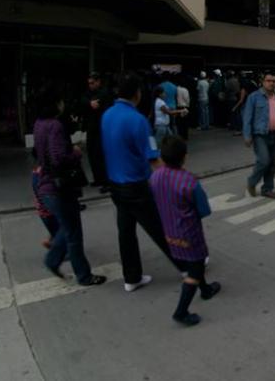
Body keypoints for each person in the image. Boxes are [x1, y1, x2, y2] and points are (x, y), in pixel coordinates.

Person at [102, 71, 179, 292]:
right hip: (136, 185)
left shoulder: (107, 115)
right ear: (137, 93)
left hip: (115, 186)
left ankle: (132, 277)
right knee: (160, 228)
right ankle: (187, 266)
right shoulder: (138, 120)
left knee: (126, 232)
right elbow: (153, 158)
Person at [33, 85, 106, 286]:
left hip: (46, 184)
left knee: (67, 229)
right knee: (73, 233)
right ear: (55, 104)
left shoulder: (39, 124)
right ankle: (83, 275)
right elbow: (58, 157)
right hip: (60, 187)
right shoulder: (55, 125)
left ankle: (54, 259)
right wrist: (75, 152)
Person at [149, 136, 221, 326]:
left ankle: (205, 290)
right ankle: (181, 312)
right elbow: (205, 211)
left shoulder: (155, 176)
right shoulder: (189, 182)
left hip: (169, 232)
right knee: (195, 269)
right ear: (185, 157)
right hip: (189, 234)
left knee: (192, 264)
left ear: (162, 157)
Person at [243, 72, 275, 199]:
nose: (271, 83)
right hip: (260, 135)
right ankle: (252, 182)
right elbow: (247, 117)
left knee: (273, 163)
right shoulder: (254, 97)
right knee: (264, 160)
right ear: (263, 82)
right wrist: (247, 135)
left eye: (273, 81)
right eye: (268, 80)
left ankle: (267, 189)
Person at [81, 72, 112, 192]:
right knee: (92, 154)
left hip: (101, 129)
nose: (90, 85)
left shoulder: (104, 93)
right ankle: (98, 178)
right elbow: (83, 100)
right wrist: (89, 103)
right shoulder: (89, 94)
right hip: (92, 128)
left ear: (98, 82)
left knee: (101, 155)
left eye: (93, 83)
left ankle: (106, 181)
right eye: (89, 83)